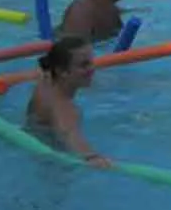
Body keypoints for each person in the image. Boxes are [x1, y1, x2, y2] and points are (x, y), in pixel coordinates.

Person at [27, 37, 111, 168]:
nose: (92, 69)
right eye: (84, 65)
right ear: (62, 72)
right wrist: (93, 157)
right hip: (53, 162)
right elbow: (69, 133)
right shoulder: (64, 108)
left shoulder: (46, 79)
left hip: (33, 140)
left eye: (91, 62)